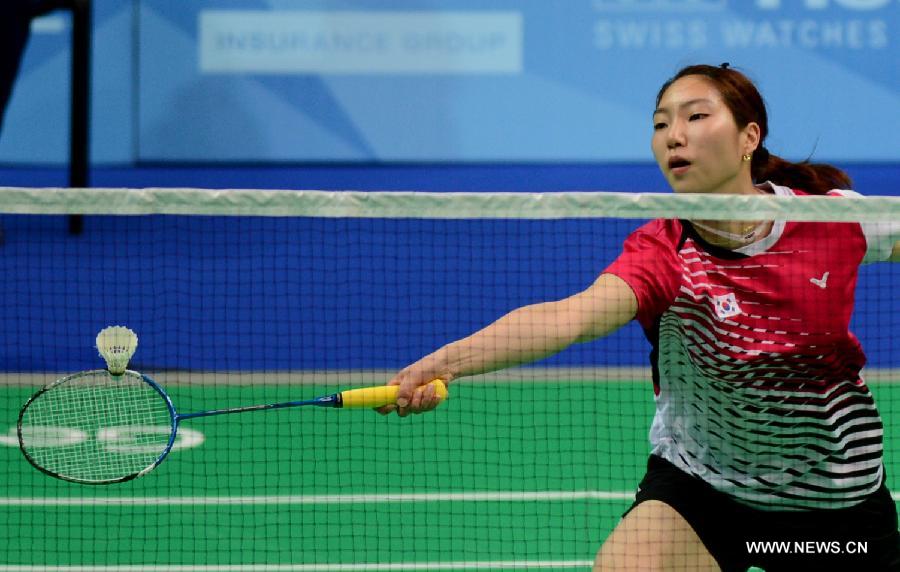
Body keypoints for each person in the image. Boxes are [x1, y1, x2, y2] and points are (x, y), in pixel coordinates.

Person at [377, 63, 900, 571]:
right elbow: (569, 317)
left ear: (749, 138)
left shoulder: (829, 220)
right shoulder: (663, 251)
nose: (675, 135)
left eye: (696, 117)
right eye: (660, 123)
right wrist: (446, 362)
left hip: (834, 503)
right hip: (705, 487)